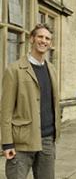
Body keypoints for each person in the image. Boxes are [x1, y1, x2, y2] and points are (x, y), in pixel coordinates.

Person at [0, 23, 60, 179]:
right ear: (32, 39)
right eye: (40, 36)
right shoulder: (14, 70)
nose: (44, 41)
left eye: (47, 38)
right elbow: (5, 111)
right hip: (22, 142)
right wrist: (7, 143)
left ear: (50, 43)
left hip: (47, 140)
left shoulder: (52, 69)